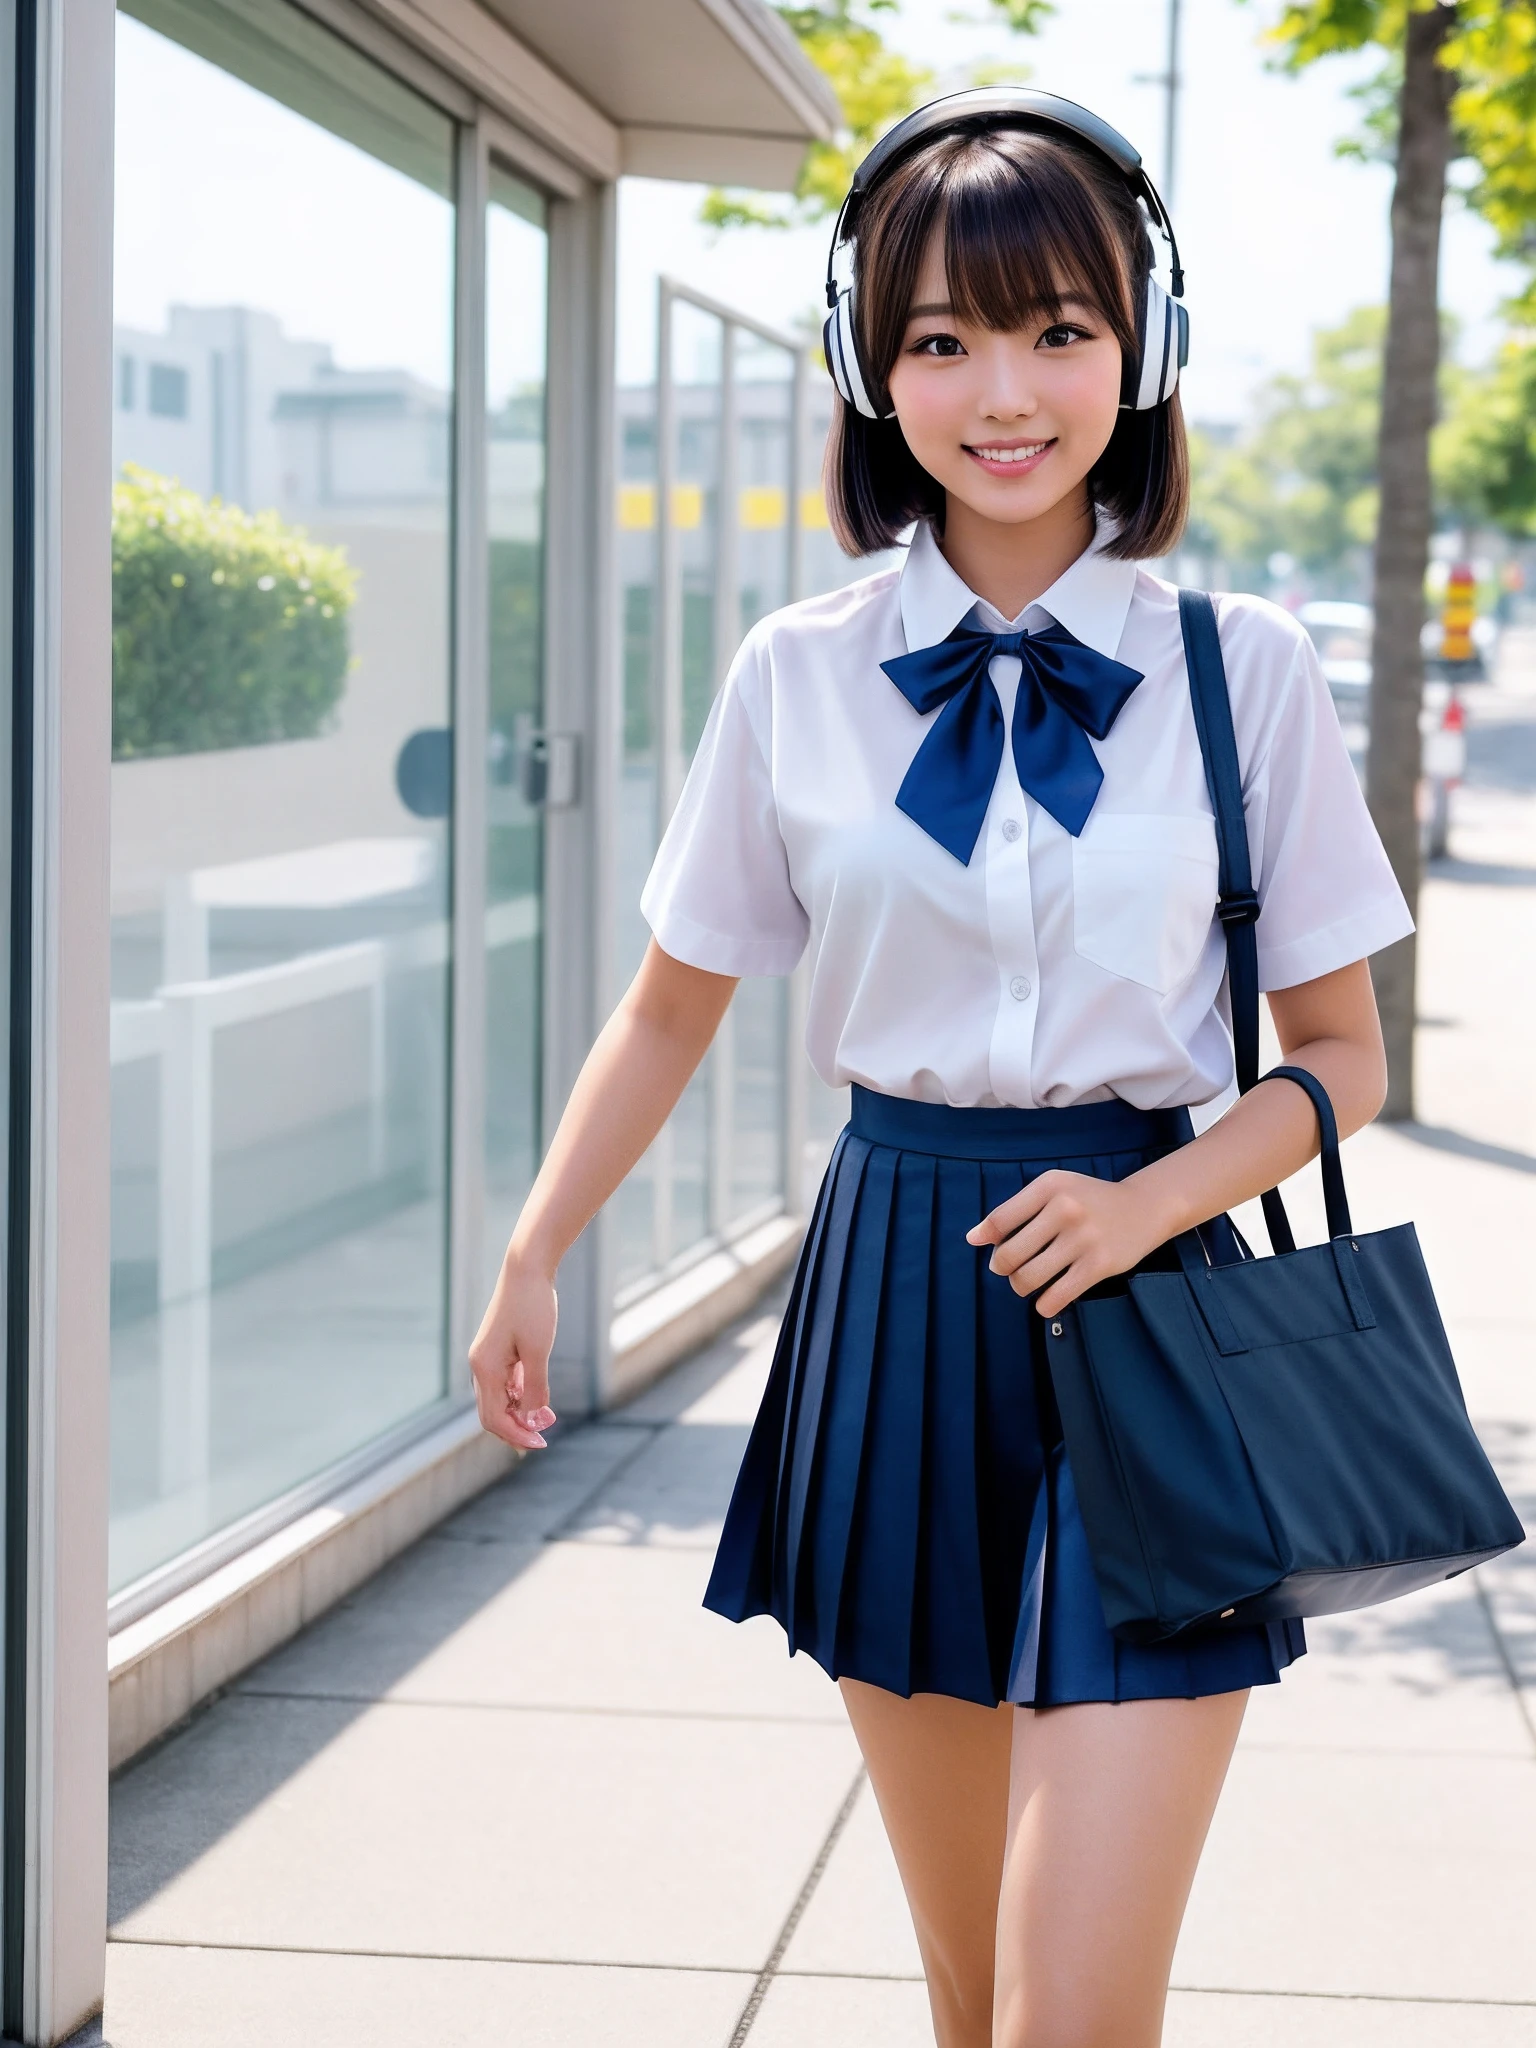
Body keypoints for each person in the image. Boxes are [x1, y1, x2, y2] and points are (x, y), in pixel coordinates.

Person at [471, 91, 1412, 2048]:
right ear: (866, 362)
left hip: (1153, 1313)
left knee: (1074, 2009)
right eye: (941, 338)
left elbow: (1342, 1056)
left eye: (1061, 329)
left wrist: (1156, 1191)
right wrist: (537, 1245)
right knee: (976, 2001)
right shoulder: (796, 677)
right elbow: (672, 999)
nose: (1006, 388)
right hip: (893, 1300)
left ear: (1139, 351)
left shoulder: (1246, 673)